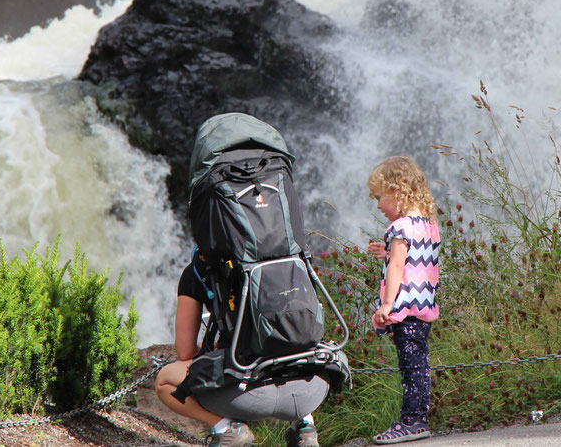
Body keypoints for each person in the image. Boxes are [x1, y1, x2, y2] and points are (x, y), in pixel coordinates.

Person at [154, 257, 328, 447]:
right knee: (292, 344)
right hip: (311, 389)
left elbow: (185, 350)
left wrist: (210, 353)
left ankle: (227, 429)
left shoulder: (200, 268)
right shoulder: (295, 257)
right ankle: (305, 426)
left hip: (247, 397)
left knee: (165, 380)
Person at [365, 156, 441, 444]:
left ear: (397, 192)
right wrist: (385, 254)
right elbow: (413, 264)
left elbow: (397, 268)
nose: (378, 206)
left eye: (379, 198)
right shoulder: (428, 224)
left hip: (405, 308)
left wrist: (386, 304)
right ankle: (417, 419)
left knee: (411, 370)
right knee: (419, 365)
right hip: (423, 306)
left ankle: (412, 422)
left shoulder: (398, 228)